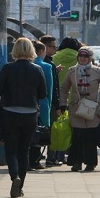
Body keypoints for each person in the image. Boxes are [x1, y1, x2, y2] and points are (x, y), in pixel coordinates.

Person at [0, 37, 47, 198]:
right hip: (30, 114)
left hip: (9, 113)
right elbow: (43, 94)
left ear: (15, 50)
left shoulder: (8, 68)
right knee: (24, 150)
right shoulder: (37, 69)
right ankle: (20, 186)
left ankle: (14, 176)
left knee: (11, 149)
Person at [59, 46, 100, 172]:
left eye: (85, 56)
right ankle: (76, 162)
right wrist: (63, 103)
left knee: (90, 137)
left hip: (93, 109)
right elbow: (64, 88)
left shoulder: (97, 71)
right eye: (80, 56)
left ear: (90, 58)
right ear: (77, 57)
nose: (83, 58)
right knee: (77, 136)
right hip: (76, 108)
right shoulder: (72, 71)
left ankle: (90, 163)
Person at [52, 37, 80, 165]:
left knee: (60, 128)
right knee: (75, 128)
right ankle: (73, 154)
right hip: (76, 98)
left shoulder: (55, 58)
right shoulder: (79, 58)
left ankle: (58, 154)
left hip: (59, 98)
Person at [28, 41, 54, 170]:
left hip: (26, 104)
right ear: (40, 52)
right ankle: (35, 160)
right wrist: (47, 105)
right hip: (41, 103)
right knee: (39, 133)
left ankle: (26, 160)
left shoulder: (25, 65)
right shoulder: (46, 67)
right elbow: (48, 90)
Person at [39, 35, 63, 165]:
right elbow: (53, 88)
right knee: (52, 129)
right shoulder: (49, 64)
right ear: (45, 48)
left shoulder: (40, 62)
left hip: (38, 103)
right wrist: (57, 105)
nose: (55, 49)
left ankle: (37, 156)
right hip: (49, 103)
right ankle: (51, 157)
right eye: (53, 46)